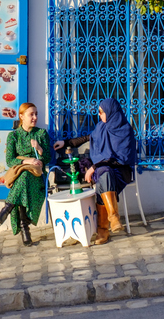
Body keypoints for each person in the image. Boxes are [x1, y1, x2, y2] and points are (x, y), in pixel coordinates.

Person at [53, 98, 136, 245]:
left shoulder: (125, 130)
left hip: (121, 170)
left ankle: (103, 228)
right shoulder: (101, 128)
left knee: (105, 174)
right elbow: (87, 138)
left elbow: (119, 159)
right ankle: (113, 217)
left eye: (101, 112)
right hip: (104, 169)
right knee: (105, 173)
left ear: (111, 112)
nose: (99, 115)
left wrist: (93, 168)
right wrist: (66, 143)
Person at [0, 102, 50, 247]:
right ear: (21, 117)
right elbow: (10, 160)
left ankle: (7, 208)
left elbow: (48, 158)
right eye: (31, 114)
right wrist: (27, 160)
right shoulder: (14, 136)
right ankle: (25, 229)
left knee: (23, 180)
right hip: (20, 174)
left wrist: (39, 149)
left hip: (37, 176)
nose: (35, 117)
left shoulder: (41, 134)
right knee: (23, 179)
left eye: (36, 114)